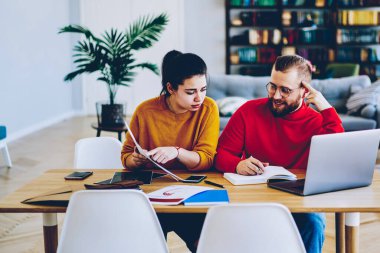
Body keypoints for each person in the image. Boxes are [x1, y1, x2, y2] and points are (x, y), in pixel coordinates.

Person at [215, 55, 344, 253]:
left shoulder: (317, 122)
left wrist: (325, 106)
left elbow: (337, 155)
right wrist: (237, 164)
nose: (275, 96)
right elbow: (221, 154)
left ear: (304, 91)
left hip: (299, 198)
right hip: (254, 194)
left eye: (285, 90)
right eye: (273, 86)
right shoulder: (248, 111)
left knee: (314, 221)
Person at [121, 50, 219, 252]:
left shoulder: (208, 108)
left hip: (191, 194)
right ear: (171, 88)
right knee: (147, 246)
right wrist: (135, 160)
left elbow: (207, 159)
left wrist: (177, 151)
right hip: (151, 195)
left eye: (203, 89)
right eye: (191, 92)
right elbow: (126, 157)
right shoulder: (145, 111)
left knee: (206, 245)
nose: (199, 97)